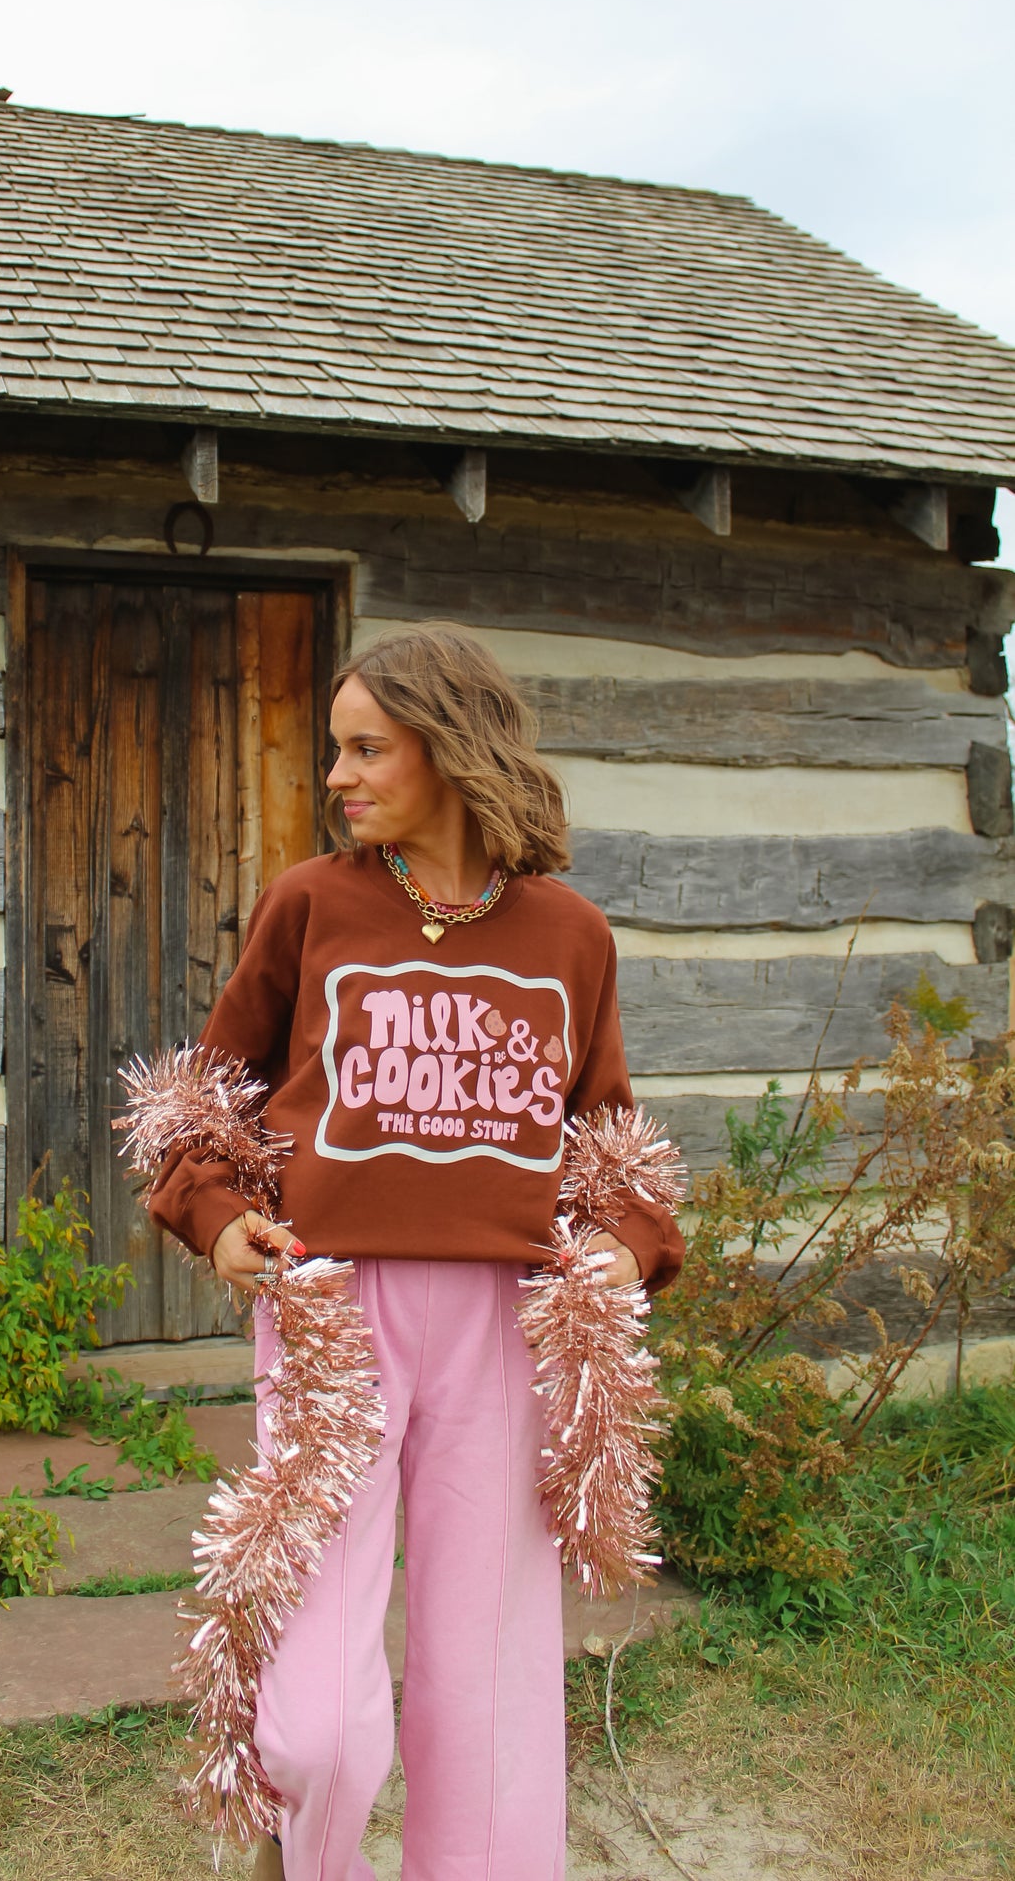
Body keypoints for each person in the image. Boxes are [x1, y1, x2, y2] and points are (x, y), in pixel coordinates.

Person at [147, 622, 685, 1881]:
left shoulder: (569, 934)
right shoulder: (311, 903)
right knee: (315, 1718)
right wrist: (221, 1219)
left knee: (486, 1683)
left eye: (362, 746)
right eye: (335, 748)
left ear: (448, 748)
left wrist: (623, 1244)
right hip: (333, 1312)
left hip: (507, 1322)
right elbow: (197, 1106)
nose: (334, 774)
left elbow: (609, 1140)